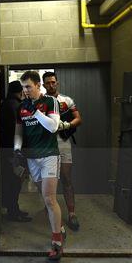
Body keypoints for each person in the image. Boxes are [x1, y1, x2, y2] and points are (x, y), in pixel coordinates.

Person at [13, 70, 64, 263]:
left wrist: (35, 111)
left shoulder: (50, 102)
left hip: (49, 155)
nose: (25, 90)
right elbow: (18, 132)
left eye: (28, 86)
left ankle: (57, 243)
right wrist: (17, 149)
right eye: (23, 87)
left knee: (50, 199)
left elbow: (52, 126)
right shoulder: (21, 108)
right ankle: (59, 227)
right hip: (32, 158)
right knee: (45, 198)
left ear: (37, 86)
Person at [43, 72, 82, 232]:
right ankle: (51, 208)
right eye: (48, 83)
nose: (51, 85)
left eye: (53, 82)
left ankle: (72, 213)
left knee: (66, 178)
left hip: (63, 144)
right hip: (46, 145)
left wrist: (66, 125)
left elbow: (78, 118)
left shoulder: (67, 100)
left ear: (57, 83)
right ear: (43, 85)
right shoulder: (40, 102)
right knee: (48, 181)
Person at [0, 81, 32, 222]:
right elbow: (18, 131)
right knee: (15, 182)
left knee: (10, 181)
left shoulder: (4, 104)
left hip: (6, 150)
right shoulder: (16, 106)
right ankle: (13, 212)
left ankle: (13, 209)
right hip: (15, 152)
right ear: (20, 92)